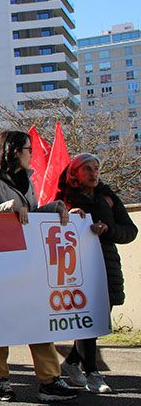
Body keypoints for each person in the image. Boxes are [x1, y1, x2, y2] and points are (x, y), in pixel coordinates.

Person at [0, 130, 78, 403]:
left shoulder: (27, 180)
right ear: (13, 151)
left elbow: (27, 216)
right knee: (0, 324)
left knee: (38, 321)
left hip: (27, 266)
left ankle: (49, 380)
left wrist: (53, 208)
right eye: (28, 148)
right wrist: (8, 206)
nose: (32, 153)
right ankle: (0, 380)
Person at [56, 153, 137, 393]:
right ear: (75, 173)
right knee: (87, 319)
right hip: (77, 267)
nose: (93, 174)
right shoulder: (63, 199)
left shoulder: (108, 197)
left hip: (107, 264)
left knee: (97, 319)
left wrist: (108, 229)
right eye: (87, 169)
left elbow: (130, 231)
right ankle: (92, 373)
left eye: (96, 168)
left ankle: (72, 362)